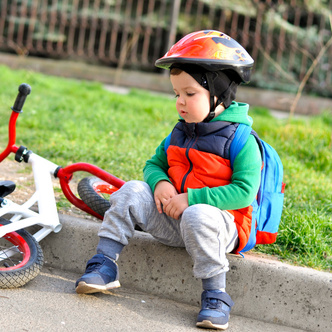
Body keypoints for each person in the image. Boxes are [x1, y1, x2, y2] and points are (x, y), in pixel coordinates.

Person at [75, 30, 261, 330]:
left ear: (219, 93)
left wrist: (191, 198)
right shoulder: (180, 132)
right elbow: (153, 164)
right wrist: (160, 183)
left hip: (218, 227)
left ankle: (215, 295)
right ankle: (103, 265)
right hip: (175, 219)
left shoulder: (241, 140)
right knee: (132, 189)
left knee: (198, 214)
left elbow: (244, 192)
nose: (180, 102)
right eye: (177, 94)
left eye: (190, 94)